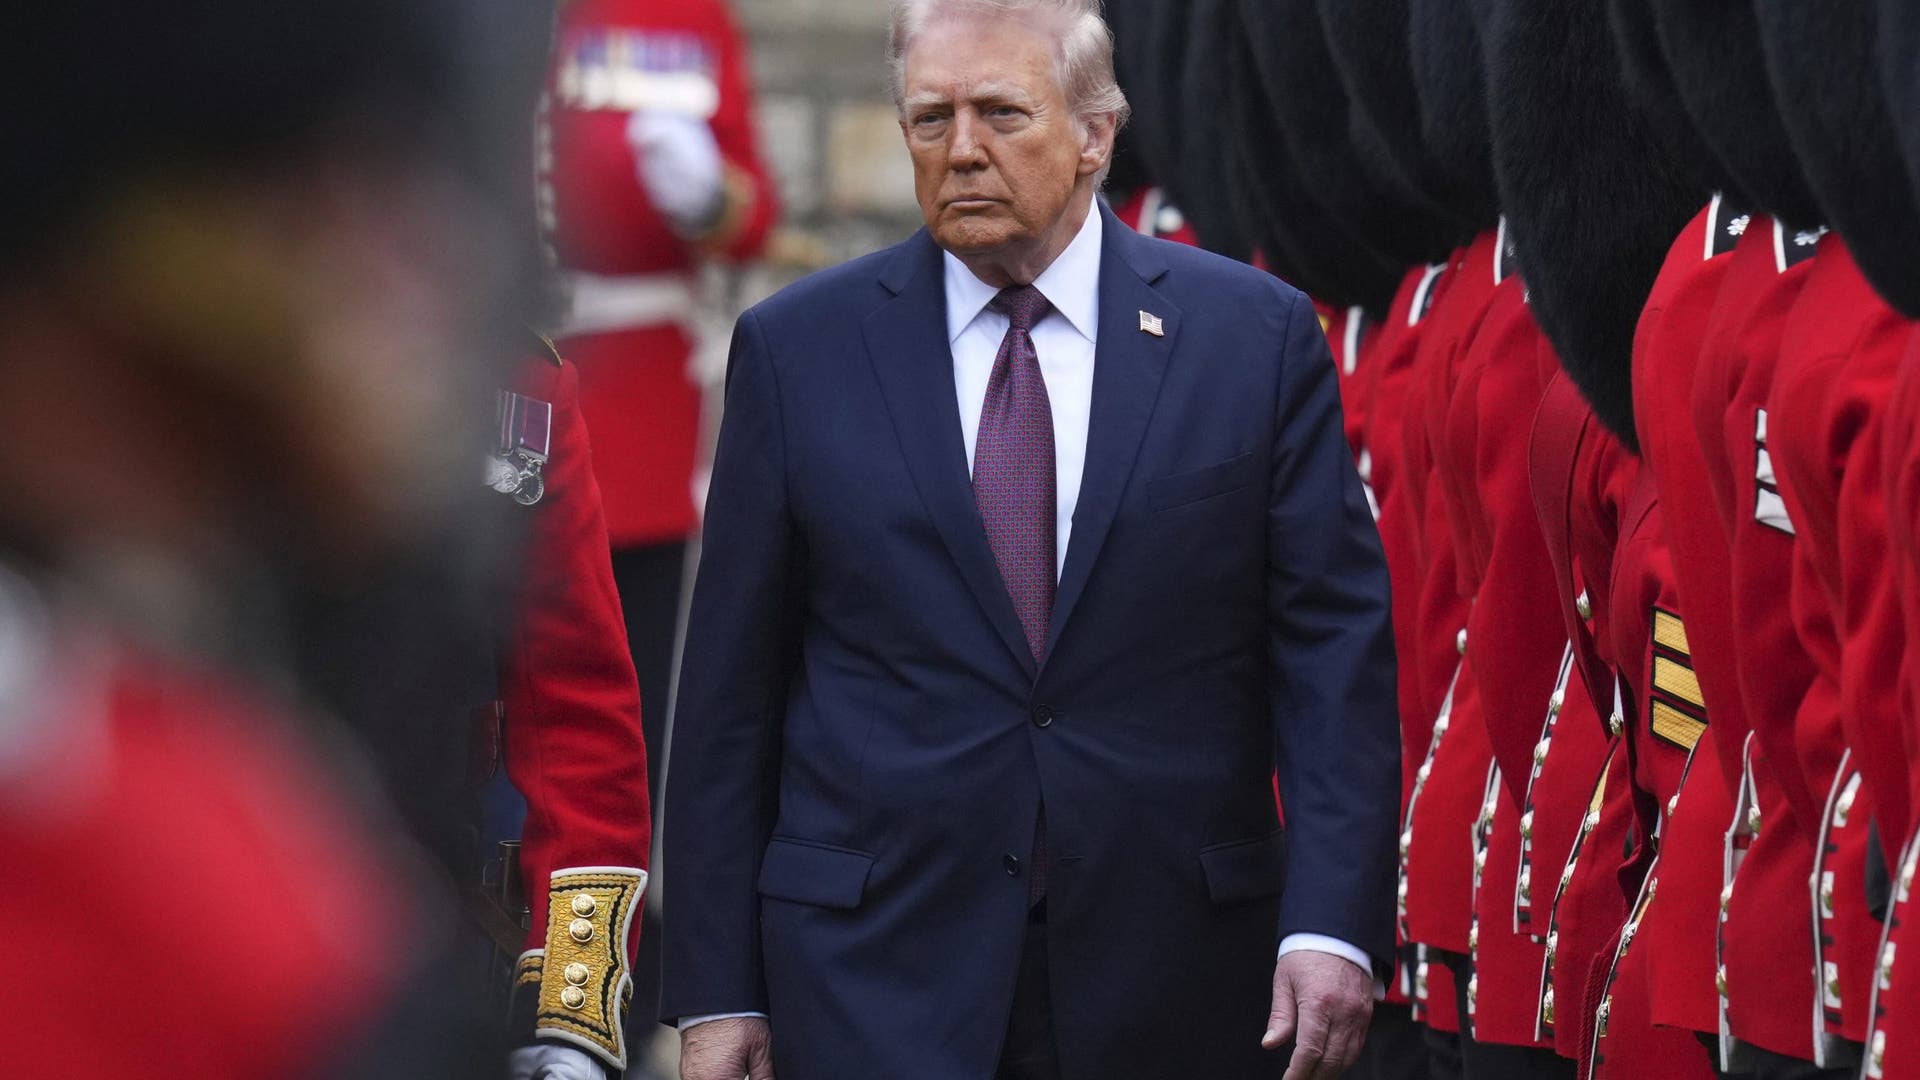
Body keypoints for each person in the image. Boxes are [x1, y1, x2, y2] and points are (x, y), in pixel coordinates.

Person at [659, 1, 1399, 1077]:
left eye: (1002, 113)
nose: (961, 150)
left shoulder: (1253, 339)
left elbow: (1332, 655)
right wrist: (717, 989)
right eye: (930, 120)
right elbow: (731, 695)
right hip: (872, 971)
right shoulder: (797, 351)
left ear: (1097, 131)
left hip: (1170, 970)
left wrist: (1331, 922)